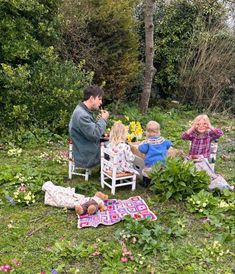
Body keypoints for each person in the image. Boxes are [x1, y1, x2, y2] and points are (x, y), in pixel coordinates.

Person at [182, 114, 233, 191]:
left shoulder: (209, 134)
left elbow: (220, 133)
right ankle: (193, 184)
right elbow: (184, 136)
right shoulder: (193, 134)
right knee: (188, 170)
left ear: (208, 124)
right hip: (193, 159)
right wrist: (192, 127)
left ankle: (222, 187)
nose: (201, 126)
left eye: (204, 124)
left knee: (207, 176)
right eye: (198, 124)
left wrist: (210, 126)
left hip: (204, 160)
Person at [69, 85, 109, 168]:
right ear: (91, 98)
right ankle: (109, 174)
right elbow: (94, 135)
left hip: (85, 147)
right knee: (116, 146)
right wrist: (103, 119)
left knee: (112, 141)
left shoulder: (82, 110)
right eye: (99, 99)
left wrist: (98, 121)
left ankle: (106, 170)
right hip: (86, 154)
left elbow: (89, 131)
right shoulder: (82, 115)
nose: (101, 102)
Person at [138, 121, 172, 187]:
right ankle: (159, 183)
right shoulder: (162, 140)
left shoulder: (147, 141)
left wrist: (140, 145)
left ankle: (145, 183)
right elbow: (169, 144)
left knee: (146, 172)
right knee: (160, 172)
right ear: (158, 131)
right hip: (162, 161)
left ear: (147, 132)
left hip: (151, 163)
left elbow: (142, 149)